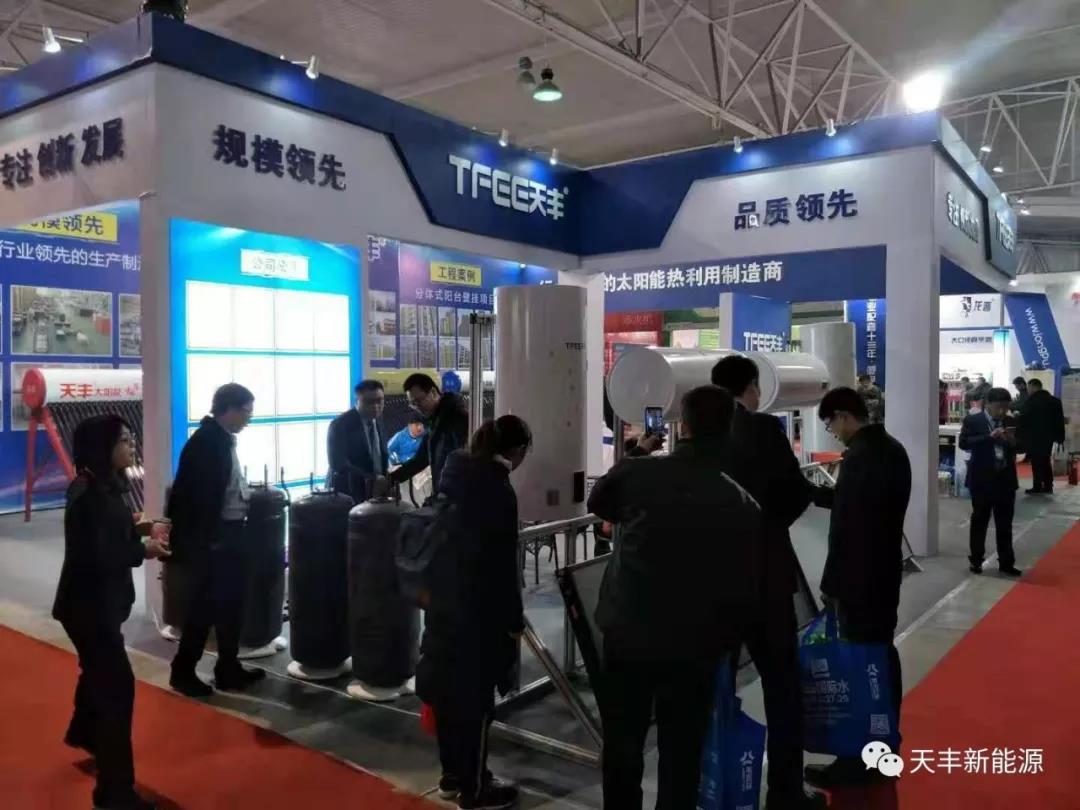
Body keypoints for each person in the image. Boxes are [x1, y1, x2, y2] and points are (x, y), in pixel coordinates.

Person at [588, 386, 761, 810]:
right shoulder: (740, 502)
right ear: (728, 431)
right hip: (694, 645)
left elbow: (599, 501)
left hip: (628, 633)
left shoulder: (639, 474)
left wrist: (639, 452)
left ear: (682, 425)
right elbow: (743, 586)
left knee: (623, 741)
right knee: (682, 750)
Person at [711, 356, 826, 810]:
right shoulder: (761, 428)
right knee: (781, 686)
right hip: (764, 576)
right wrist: (770, 528)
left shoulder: (702, 430)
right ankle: (784, 792)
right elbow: (794, 493)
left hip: (715, 582)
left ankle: (716, 788)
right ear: (751, 388)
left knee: (713, 687)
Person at [53, 415, 172, 810]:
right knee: (117, 693)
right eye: (123, 440)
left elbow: (107, 535)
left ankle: (84, 733)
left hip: (94, 606)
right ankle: (114, 792)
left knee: (98, 676)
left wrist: (140, 529)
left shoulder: (103, 486)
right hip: (90, 609)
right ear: (101, 447)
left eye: (130, 437)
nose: (131, 444)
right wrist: (143, 550)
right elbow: (98, 555)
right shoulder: (89, 494)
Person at [416, 416, 532, 810]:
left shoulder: (454, 471)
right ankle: (475, 788)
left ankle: (452, 776)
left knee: (448, 698)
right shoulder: (497, 489)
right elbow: (502, 566)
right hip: (477, 612)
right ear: (517, 451)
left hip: (441, 602)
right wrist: (513, 620)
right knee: (477, 704)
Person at [805, 387, 911, 790]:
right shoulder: (892, 450)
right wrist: (812, 493)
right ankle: (884, 746)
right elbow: (854, 506)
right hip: (883, 574)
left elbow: (848, 528)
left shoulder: (860, 457)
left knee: (857, 668)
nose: (832, 432)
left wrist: (831, 584)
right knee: (880, 659)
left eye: (831, 423)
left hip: (857, 581)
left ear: (845, 415)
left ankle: (857, 761)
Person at [168, 383, 266, 697]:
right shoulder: (206, 443)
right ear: (230, 409)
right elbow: (194, 499)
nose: (249, 419)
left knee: (230, 606)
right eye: (247, 412)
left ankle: (228, 667)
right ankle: (183, 671)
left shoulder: (221, 440)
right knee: (204, 608)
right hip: (214, 538)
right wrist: (208, 541)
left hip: (229, 533)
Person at [960, 387, 1023, 576]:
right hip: (982, 479)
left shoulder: (1011, 421)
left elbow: (1022, 446)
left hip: (1005, 479)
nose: (1002, 411)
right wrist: (989, 437)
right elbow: (964, 443)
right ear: (987, 404)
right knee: (979, 521)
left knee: (1005, 523)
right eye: (999, 407)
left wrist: (1013, 442)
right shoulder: (973, 420)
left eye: (1006, 407)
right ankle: (976, 560)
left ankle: (1006, 562)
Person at [388, 374, 469, 499]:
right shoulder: (435, 423)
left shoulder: (458, 418)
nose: (417, 407)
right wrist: (390, 480)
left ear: (433, 392)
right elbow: (420, 460)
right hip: (444, 497)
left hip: (456, 498)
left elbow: (465, 462)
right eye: (413, 404)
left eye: (419, 401)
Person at [327, 379, 389, 500]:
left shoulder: (380, 420)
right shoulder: (340, 425)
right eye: (369, 402)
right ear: (357, 401)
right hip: (348, 492)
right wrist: (372, 479)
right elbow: (338, 463)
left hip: (375, 492)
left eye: (379, 401)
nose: (376, 406)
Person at [1018, 378, 1066, 495]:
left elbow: (1024, 417)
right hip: (1049, 437)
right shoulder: (1055, 401)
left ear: (1033, 386)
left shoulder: (1031, 401)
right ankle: (1048, 485)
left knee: (1036, 462)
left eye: (1029, 387)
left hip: (1034, 436)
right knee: (1045, 460)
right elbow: (1059, 420)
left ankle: (1037, 486)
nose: (1028, 390)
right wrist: (1060, 437)